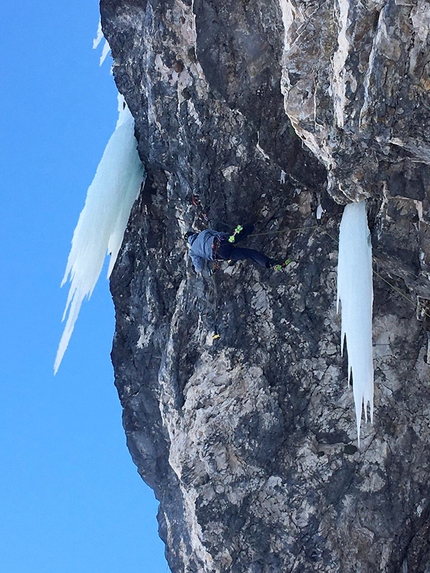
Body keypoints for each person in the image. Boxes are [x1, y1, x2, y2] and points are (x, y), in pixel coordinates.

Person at [185, 224, 277, 273]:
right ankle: (252, 226)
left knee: (250, 253)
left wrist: (194, 269)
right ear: (193, 234)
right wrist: (230, 237)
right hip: (222, 241)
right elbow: (219, 234)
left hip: (221, 254)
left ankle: (270, 263)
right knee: (242, 231)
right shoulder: (203, 233)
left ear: (189, 242)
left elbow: (199, 268)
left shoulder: (192, 251)